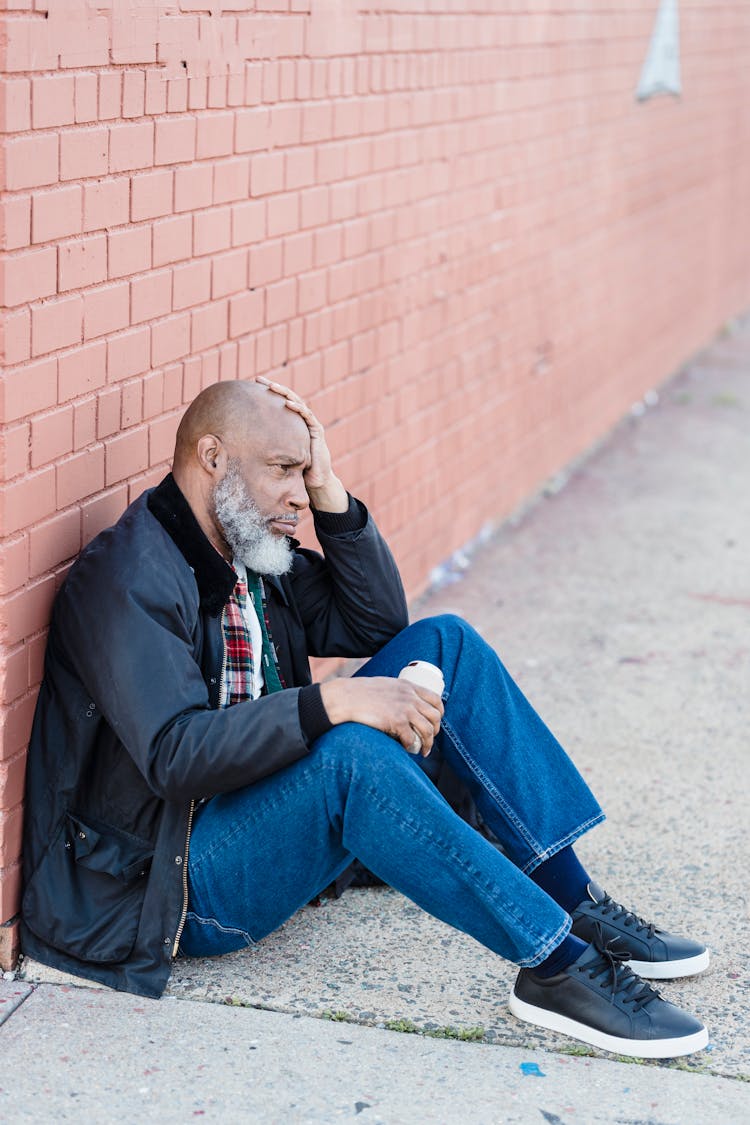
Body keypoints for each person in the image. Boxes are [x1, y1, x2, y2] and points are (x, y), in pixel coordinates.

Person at [21, 378, 709, 1060]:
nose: (297, 493)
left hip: (255, 814)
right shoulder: (129, 577)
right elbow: (175, 755)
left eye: (303, 472)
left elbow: (379, 622)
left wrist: (332, 494)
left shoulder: (247, 543)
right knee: (351, 753)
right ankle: (556, 964)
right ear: (212, 457)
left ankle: (574, 898)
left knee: (448, 643)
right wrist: (335, 701)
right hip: (169, 884)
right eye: (284, 471)